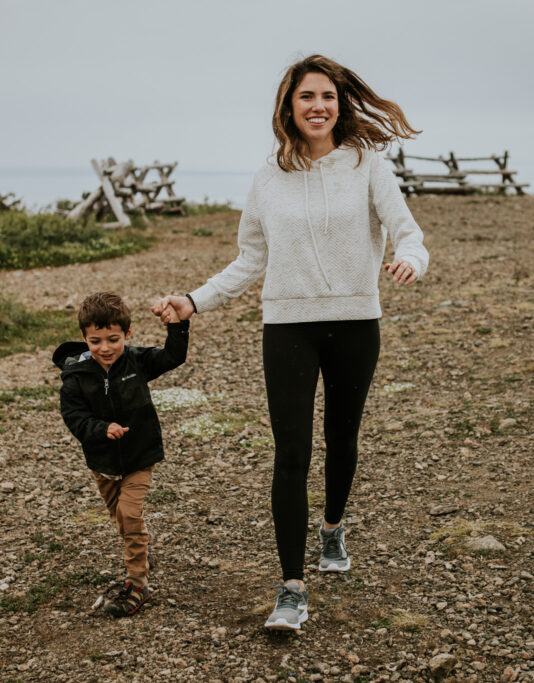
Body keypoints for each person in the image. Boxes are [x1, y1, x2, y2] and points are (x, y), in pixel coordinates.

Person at [152, 54, 428, 630]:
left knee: (342, 436)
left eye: (327, 96)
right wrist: (194, 300)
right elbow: (250, 259)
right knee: (291, 454)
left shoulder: (368, 164)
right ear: (289, 105)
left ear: (340, 103)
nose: (318, 106)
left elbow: (406, 231)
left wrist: (409, 259)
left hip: (356, 321)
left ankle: (332, 528)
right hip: (287, 327)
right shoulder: (267, 178)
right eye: (307, 97)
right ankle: (292, 588)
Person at [54, 291, 186, 617]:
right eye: (95, 341)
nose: (105, 348)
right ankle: (139, 550)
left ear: (127, 334)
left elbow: (173, 357)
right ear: (84, 339)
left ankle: (138, 583)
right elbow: (74, 418)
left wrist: (178, 326)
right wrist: (101, 429)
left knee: (129, 514)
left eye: (113, 339)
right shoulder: (75, 378)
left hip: (140, 455)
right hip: (103, 462)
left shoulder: (136, 361)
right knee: (121, 519)